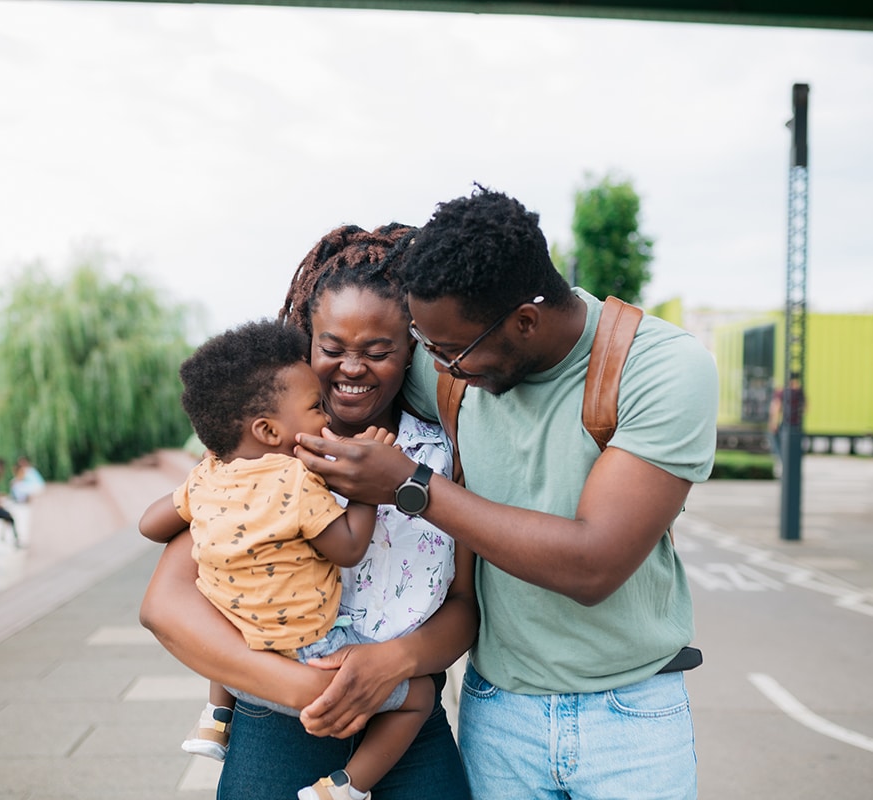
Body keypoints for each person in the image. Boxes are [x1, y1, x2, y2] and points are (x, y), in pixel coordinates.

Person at [294, 187, 719, 800]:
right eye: (424, 343)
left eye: (451, 352)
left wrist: (412, 486)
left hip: (631, 717)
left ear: (525, 320)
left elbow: (592, 564)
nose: (436, 367)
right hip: (498, 710)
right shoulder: (449, 358)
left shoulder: (660, 369)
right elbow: (337, 372)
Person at [139, 224, 475, 800]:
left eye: (378, 351)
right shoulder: (254, 455)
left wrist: (391, 664)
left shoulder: (442, 452)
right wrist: (312, 691)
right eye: (332, 348)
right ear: (307, 342)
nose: (352, 368)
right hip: (276, 727)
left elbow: (465, 607)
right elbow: (165, 604)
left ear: (411, 348)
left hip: (408, 733)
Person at [767, 376, 805, 476]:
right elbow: (806, 407)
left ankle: (782, 462)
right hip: (797, 425)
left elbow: (776, 407)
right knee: (794, 448)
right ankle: (792, 467)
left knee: (778, 443)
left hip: (785, 424)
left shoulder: (782, 392)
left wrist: (773, 422)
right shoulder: (800, 393)